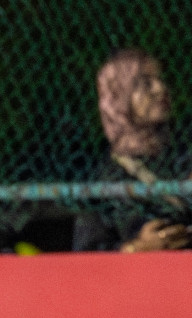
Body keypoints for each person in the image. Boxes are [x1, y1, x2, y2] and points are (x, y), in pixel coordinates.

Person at [73, 49, 190, 253]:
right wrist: (137, 248)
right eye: (144, 83)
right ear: (118, 96)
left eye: (160, 80)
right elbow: (87, 253)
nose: (160, 89)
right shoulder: (102, 179)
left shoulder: (182, 154)